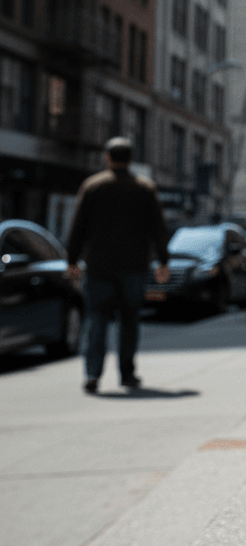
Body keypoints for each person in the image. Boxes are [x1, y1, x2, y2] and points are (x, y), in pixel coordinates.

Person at [66, 137, 170, 394]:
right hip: (134, 267)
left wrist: (71, 261)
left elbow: (77, 227)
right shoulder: (145, 189)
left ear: (108, 158)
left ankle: (92, 374)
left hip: (99, 266)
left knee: (96, 318)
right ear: (131, 159)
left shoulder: (92, 186)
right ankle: (127, 374)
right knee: (129, 320)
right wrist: (163, 261)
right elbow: (158, 228)